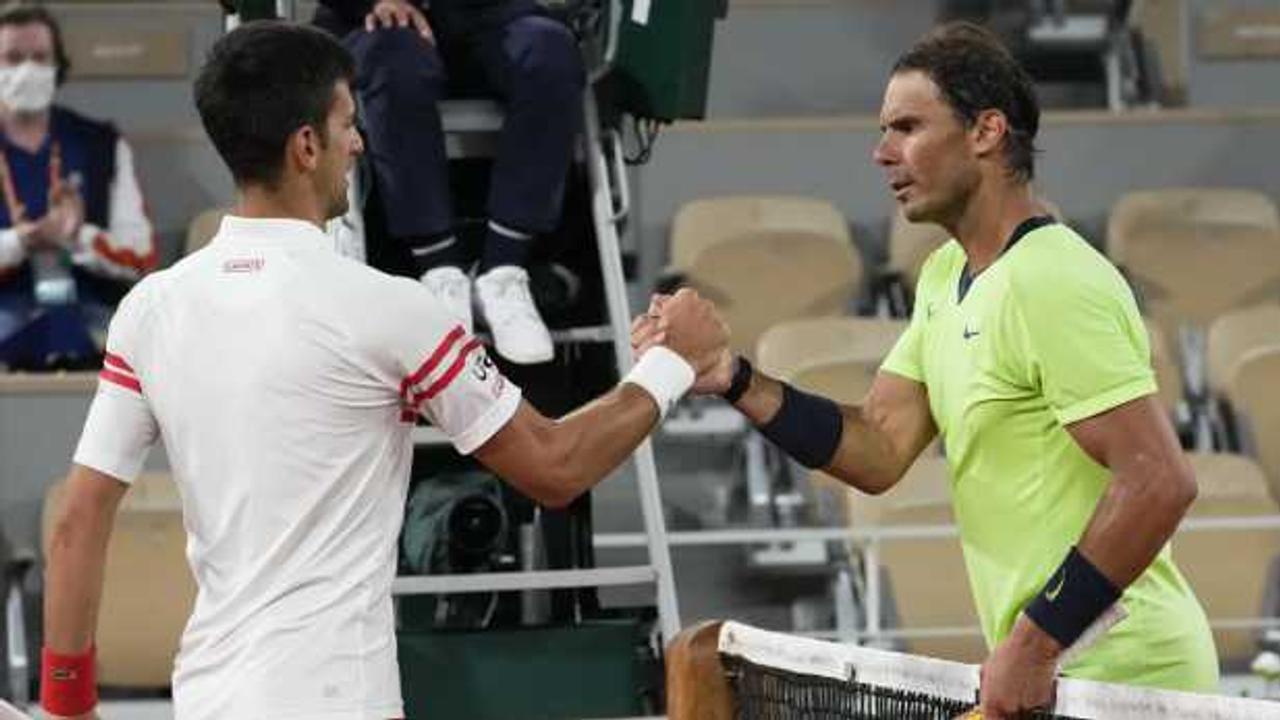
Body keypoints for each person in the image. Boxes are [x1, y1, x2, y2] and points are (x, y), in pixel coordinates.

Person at [40, 22, 724, 720]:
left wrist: (67, 706)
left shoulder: (151, 308)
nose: (360, 143)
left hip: (212, 698)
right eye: (347, 124)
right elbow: (554, 467)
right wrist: (672, 364)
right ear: (306, 147)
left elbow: (77, 518)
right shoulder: (390, 308)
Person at [635, 21, 1216, 720]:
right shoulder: (945, 277)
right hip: (1056, 672)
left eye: (907, 127)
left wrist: (1033, 645)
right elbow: (877, 448)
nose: (882, 154)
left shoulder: (1055, 279)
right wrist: (731, 376)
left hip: (1127, 678)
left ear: (986, 132)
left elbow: (1159, 479)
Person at [313, 0, 585, 365]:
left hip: (485, 17)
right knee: (395, 61)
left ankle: (502, 272)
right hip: (374, 23)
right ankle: (440, 274)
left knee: (550, 51)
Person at [0, 4, 155, 370]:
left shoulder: (101, 143)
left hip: (91, 315)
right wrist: (20, 241)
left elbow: (141, 255)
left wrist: (79, 237)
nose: (28, 69)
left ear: (58, 67)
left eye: (40, 58)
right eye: (12, 58)